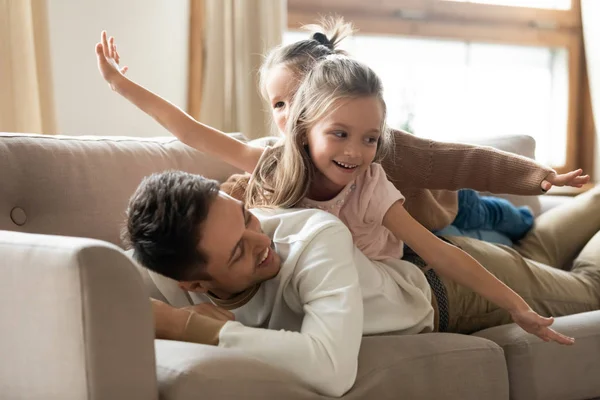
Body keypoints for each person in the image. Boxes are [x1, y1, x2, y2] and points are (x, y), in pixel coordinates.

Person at [123, 170, 600, 397]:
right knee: (538, 254)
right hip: (441, 275)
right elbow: (89, 280)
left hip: (454, 292)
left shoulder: (313, 236)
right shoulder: (165, 267)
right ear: (192, 282)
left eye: (246, 217)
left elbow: (332, 369)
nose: (260, 238)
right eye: (237, 252)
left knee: (590, 286)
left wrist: (190, 327)